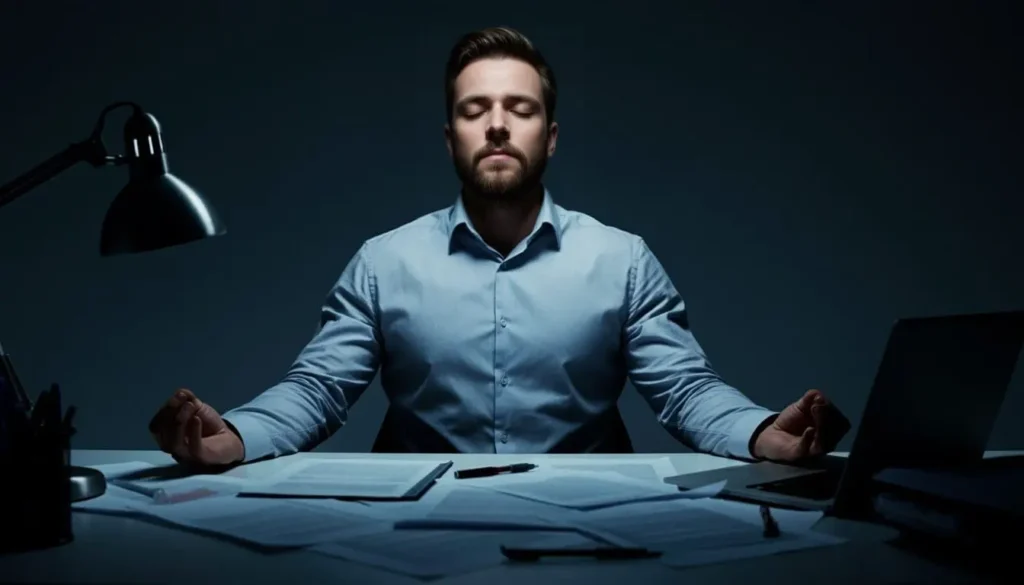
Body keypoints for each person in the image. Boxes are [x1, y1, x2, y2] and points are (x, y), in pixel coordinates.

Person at [149, 26, 850, 467]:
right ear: (449, 136)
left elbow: (686, 390)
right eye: (473, 109)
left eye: (520, 108)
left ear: (551, 136)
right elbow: (319, 389)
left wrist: (763, 433)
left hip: (587, 528)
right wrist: (234, 436)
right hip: (412, 536)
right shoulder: (383, 262)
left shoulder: (623, 259)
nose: (495, 125)